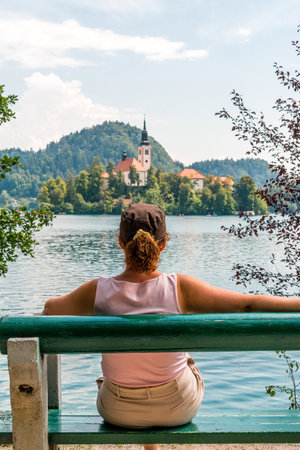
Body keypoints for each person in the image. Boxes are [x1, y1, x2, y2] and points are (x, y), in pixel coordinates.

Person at [44, 203, 300, 450]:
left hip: (118, 411)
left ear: (120, 243)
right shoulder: (180, 288)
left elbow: (50, 310)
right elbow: (248, 306)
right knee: (183, 360)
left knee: (118, 373)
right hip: (177, 407)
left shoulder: (97, 291)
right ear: (163, 243)